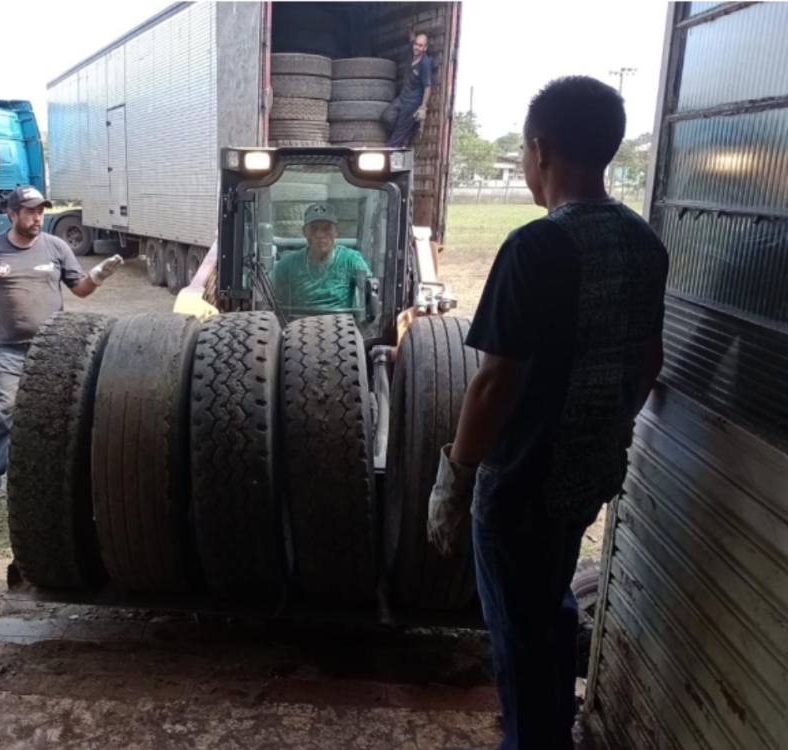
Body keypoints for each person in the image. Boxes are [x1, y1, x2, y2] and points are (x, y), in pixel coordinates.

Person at [426, 77, 669, 750]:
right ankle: (550, 728)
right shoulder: (644, 244)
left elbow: (494, 382)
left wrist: (458, 478)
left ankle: (534, 741)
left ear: (539, 149)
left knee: (518, 637)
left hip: (522, 487)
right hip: (586, 480)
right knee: (550, 605)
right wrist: (602, 427)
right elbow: (648, 362)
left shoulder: (535, 247)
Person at [0, 185, 123, 519]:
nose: (37, 217)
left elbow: (80, 290)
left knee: (56, 416)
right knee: (4, 411)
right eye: (30, 211)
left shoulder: (56, 247)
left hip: (52, 348)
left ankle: (49, 487)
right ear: (12, 214)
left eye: (41, 211)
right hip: (8, 349)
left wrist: (97, 276)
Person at [272, 202, 370, 316]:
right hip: (299, 327)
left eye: (327, 229)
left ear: (336, 231)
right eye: (313, 229)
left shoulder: (351, 259)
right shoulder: (288, 264)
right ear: (304, 232)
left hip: (341, 328)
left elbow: (370, 290)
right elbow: (268, 297)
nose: (320, 234)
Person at [382, 29, 432, 148]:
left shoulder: (425, 63)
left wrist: (423, 108)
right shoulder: (412, 51)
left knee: (397, 135)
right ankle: (404, 133)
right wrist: (409, 28)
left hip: (412, 103)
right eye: (416, 44)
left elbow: (428, 87)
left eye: (420, 46)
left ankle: (387, 154)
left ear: (425, 48)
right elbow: (411, 37)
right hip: (403, 97)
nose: (417, 47)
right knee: (386, 118)